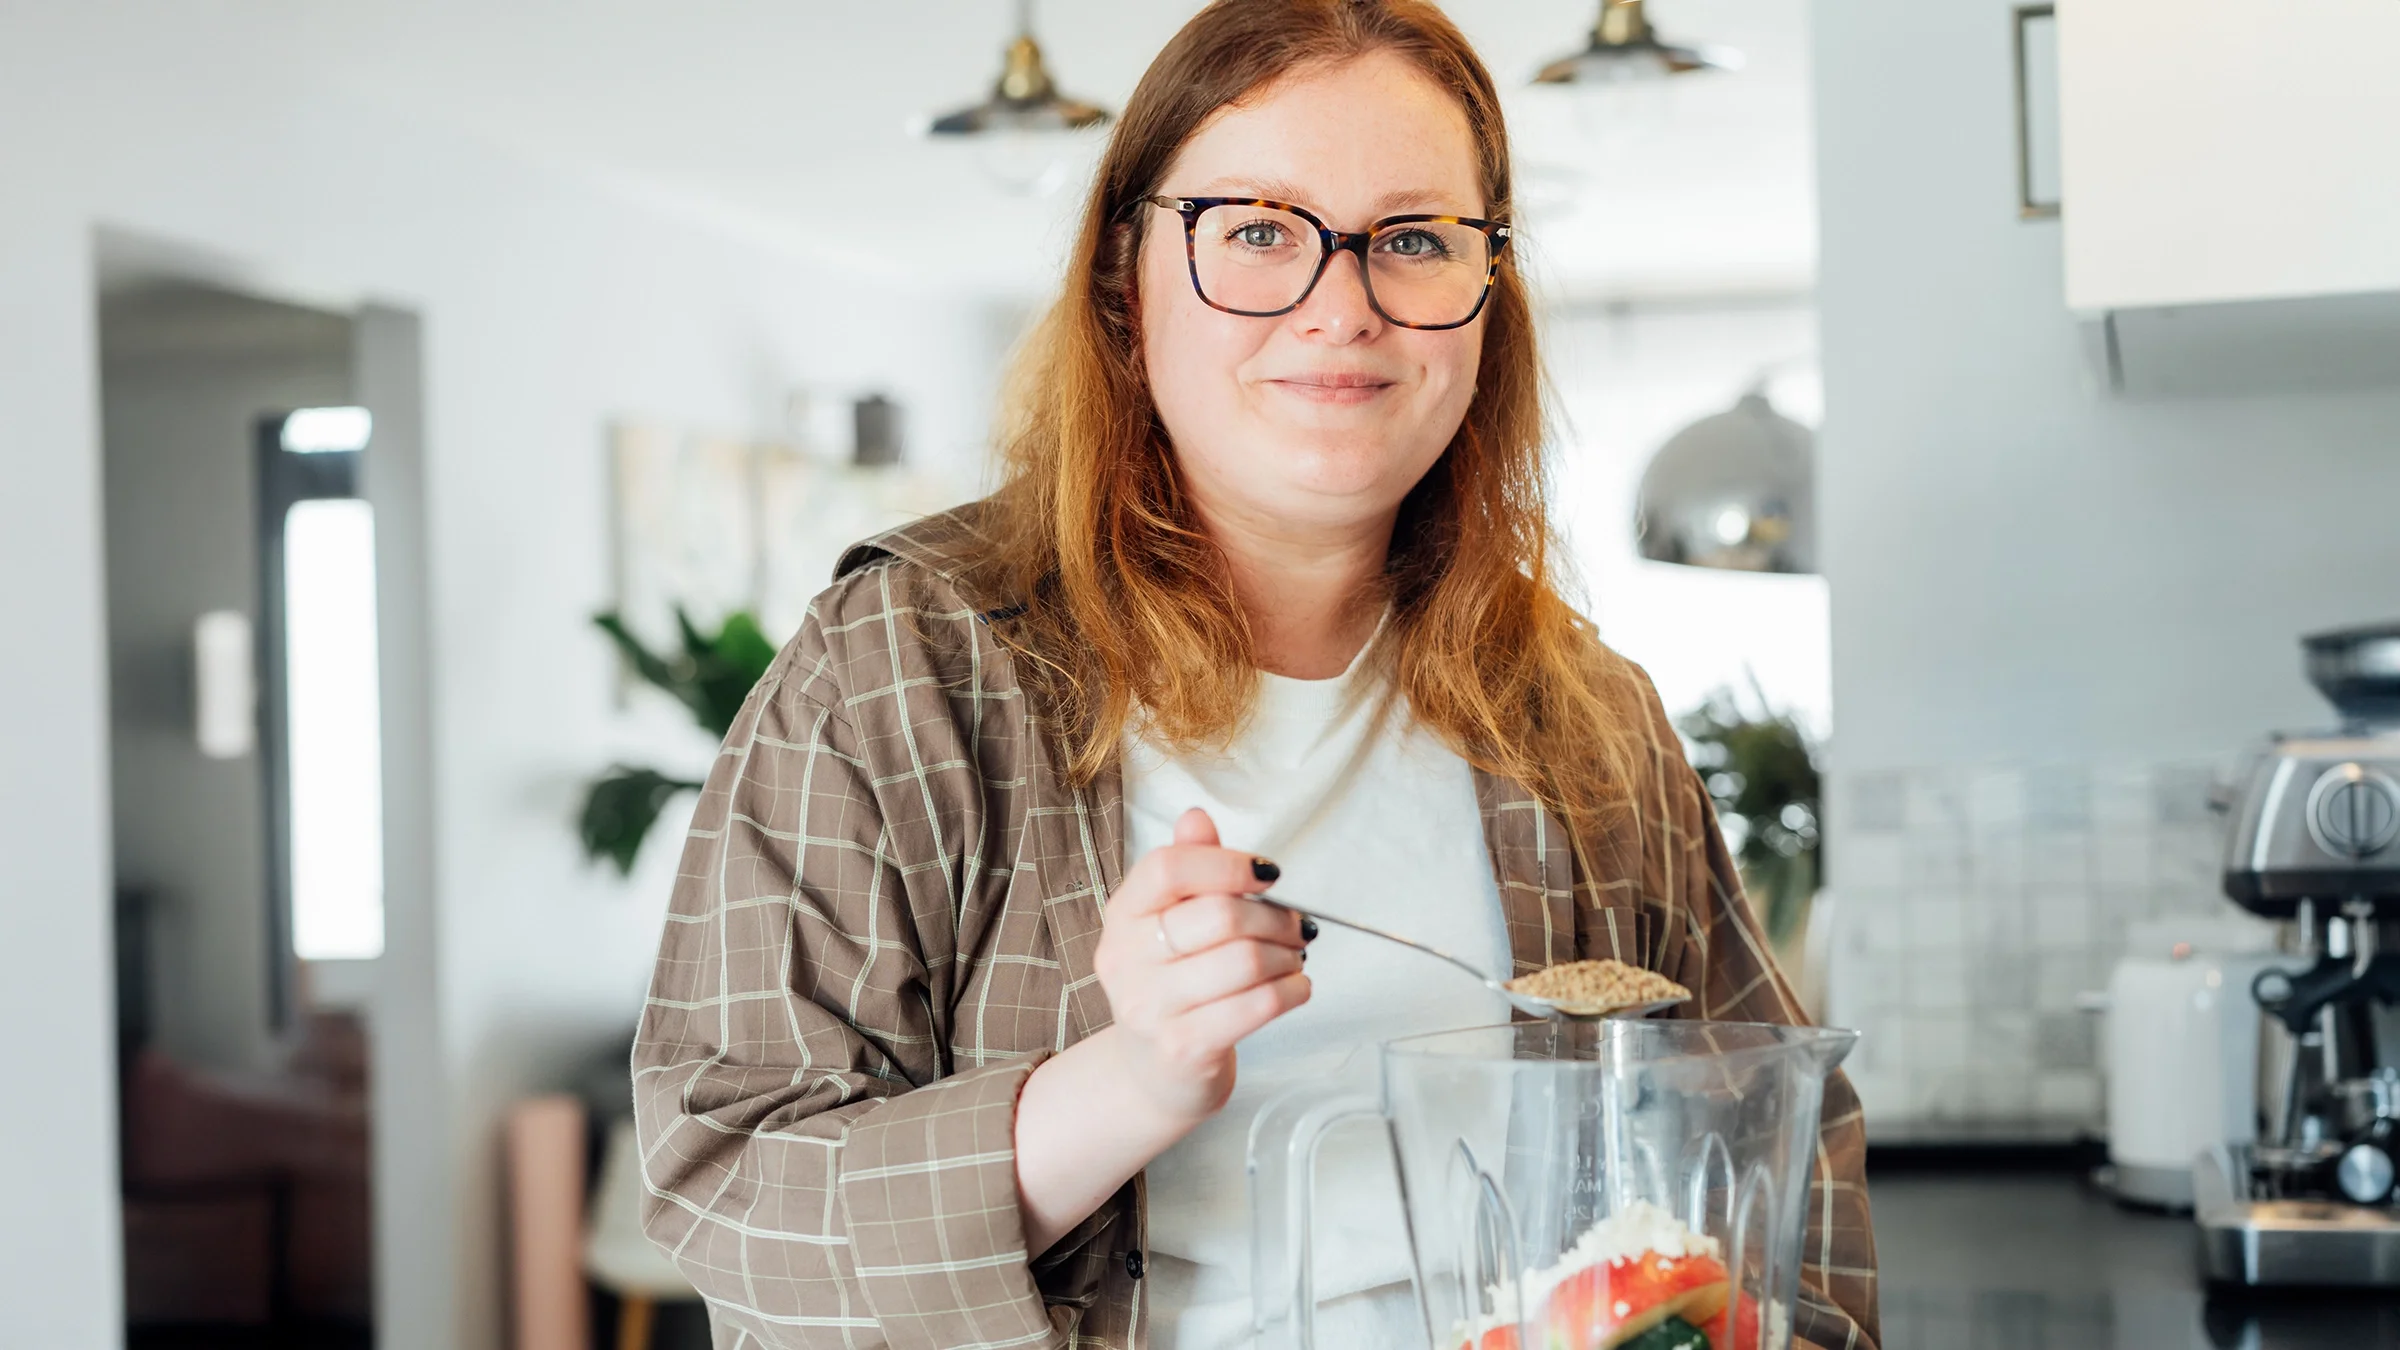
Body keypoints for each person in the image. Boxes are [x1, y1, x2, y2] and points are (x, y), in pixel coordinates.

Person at [631, 2, 1877, 1348]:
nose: (1340, 307)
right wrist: (1134, 1075)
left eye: (1411, 239)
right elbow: (728, 1185)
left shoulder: (1586, 719)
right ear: (1128, 277)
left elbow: (1784, 1168)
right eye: (1259, 232)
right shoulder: (902, 668)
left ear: (1486, 293)